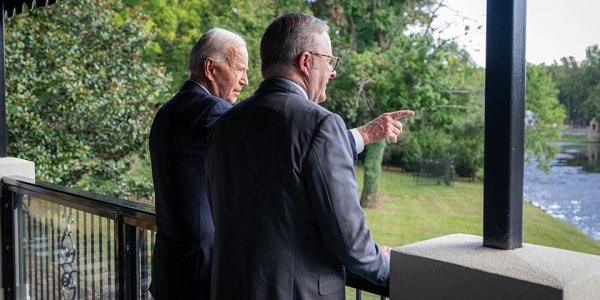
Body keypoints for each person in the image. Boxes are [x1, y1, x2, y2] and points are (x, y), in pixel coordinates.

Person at [149, 27, 412, 299]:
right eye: (239, 69)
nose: (244, 80)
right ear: (210, 68)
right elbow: (287, 146)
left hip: (175, 268)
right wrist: (364, 134)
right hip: (200, 275)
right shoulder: (217, 115)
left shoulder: (167, 112)